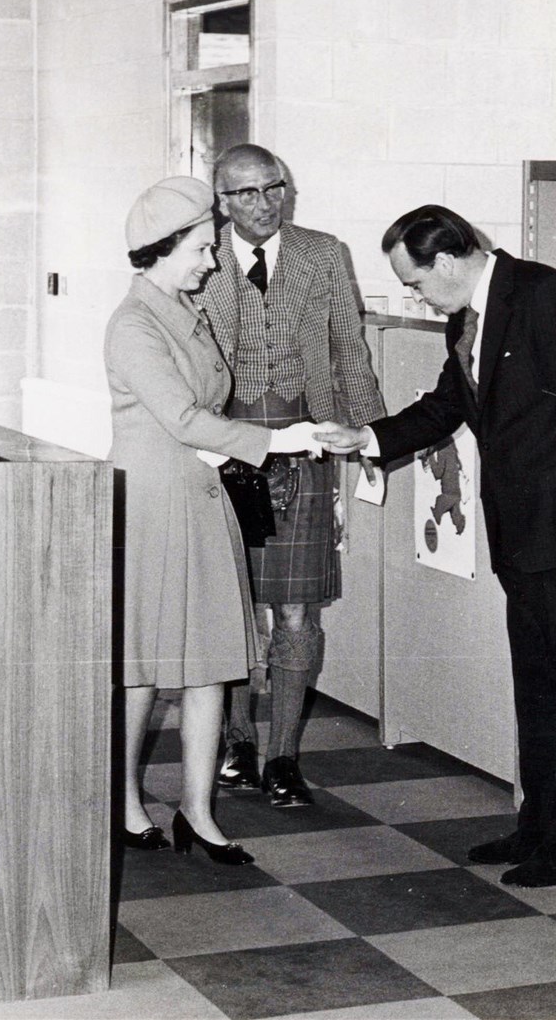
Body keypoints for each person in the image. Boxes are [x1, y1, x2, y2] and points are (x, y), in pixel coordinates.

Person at [314, 205, 556, 887]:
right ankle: (539, 824)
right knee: (538, 680)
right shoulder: (468, 317)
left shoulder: (546, 297)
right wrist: (367, 439)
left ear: (451, 263)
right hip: (520, 529)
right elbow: (447, 405)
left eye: (416, 283)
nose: (414, 297)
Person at [105, 176, 323, 863]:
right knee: (141, 664)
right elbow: (177, 415)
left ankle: (198, 812)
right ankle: (124, 800)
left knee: (210, 663)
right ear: (163, 250)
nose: (212, 261)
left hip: (203, 496)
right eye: (202, 248)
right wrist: (280, 439)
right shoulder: (134, 324)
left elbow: (204, 415)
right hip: (153, 504)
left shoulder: (184, 309)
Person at [199, 144, 386, 807]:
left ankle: (283, 757)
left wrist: (372, 440)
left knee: (297, 612)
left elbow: (349, 351)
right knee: (230, 608)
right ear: (220, 200)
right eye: (244, 193)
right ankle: (236, 743)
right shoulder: (198, 258)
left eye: (272, 187)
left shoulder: (324, 254)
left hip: (305, 450)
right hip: (222, 454)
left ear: (287, 188)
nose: (262, 202)